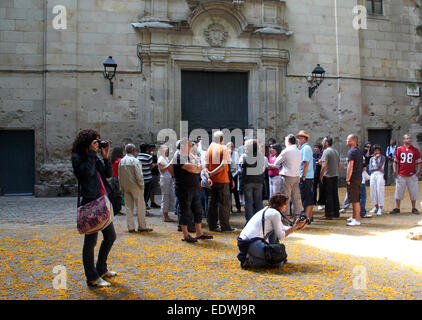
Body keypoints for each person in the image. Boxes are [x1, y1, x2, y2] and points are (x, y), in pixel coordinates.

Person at [71, 129, 117, 288]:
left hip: (101, 201)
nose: (98, 144)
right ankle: (92, 277)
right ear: (87, 142)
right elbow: (87, 173)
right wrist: (91, 154)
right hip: (91, 203)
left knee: (111, 237)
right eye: (95, 141)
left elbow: (108, 174)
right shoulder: (78, 157)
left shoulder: (95, 156)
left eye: (98, 141)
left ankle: (101, 269)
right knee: (90, 242)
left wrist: (105, 157)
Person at [237, 193, 307, 268]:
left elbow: (281, 227)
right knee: (278, 262)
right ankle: (251, 260)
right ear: (280, 205)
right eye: (285, 204)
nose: (286, 207)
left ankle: (250, 256)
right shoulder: (275, 214)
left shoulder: (267, 209)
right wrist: (295, 227)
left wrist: (296, 226)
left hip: (245, 242)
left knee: (276, 256)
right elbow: (281, 235)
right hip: (252, 243)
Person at [173, 138, 213, 242]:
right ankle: (186, 234)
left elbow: (200, 167)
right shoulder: (178, 157)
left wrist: (197, 167)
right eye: (189, 145)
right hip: (184, 188)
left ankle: (199, 232)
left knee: (197, 210)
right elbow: (192, 168)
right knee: (185, 211)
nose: (191, 147)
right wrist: (197, 167)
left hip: (194, 187)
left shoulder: (190, 156)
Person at [205, 131, 236, 232]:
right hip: (222, 180)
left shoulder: (208, 149)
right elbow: (223, 165)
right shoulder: (224, 148)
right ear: (222, 139)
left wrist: (209, 176)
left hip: (212, 181)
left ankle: (212, 225)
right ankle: (225, 226)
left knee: (211, 203)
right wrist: (212, 173)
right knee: (224, 204)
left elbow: (205, 166)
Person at [119, 144, 153, 233]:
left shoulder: (121, 161)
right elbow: (139, 175)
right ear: (133, 150)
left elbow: (120, 176)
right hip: (135, 186)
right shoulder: (135, 161)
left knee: (128, 207)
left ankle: (130, 227)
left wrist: (121, 187)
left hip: (126, 186)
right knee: (140, 207)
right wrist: (141, 185)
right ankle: (142, 226)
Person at [390, 134, 422, 215]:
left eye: (410, 138)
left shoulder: (415, 150)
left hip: (412, 174)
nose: (409, 140)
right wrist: (395, 171)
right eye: (407, 138)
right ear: (403, 140)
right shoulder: (399, 149)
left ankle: (413, 208)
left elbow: (419, 162)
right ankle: (397, 207)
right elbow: (395, 161)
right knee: (398, 192)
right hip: (401, 174)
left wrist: (418, 171)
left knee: (413, 191)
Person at [273, 134, 302, 219]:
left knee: (286, 198)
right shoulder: (298, 150)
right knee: (296, 199)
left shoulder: (286, 151)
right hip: (296, 176)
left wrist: (281, 166)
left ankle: (286, 219)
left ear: (288, 142)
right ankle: (297, 218)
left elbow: (276, 163)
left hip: (287, 176)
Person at [239, 139, 265, 222]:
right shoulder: (261, 155)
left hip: (248, 181)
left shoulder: (245, 156)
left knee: (248, 202)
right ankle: (260, 221)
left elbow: (242, 165)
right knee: (258, 202)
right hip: (259, 180)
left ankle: (249, 221)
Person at [319, 136, 341, 220]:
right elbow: (339, 165)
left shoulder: (326, 151)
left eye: (323, 141)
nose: (322, 142)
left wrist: (321, 175)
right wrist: (336, 172)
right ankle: (336, 212)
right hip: (335, 175)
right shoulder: (335, 151)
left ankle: (329, 214)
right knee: (335, 194)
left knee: (328, 195)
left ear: (327, 143)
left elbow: (324, 165)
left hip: (328, 176)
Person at [345, 134, 363, 226]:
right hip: (359, 177)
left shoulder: (351, 152)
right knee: (354, 198)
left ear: (353, 141)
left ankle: (357, 220)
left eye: (348, 139)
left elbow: (350, 166)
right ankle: (353, 216)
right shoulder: (359, 151)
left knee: (355, 200)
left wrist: (348, 178)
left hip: (353, 178)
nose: (346, 141)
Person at [297, 130, 315, 221]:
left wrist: (303, 175)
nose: (298, 140)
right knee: (307, 197)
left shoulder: (306, 148)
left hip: (306, 177)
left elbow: (306, 163)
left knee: (307, 197)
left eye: (299, 138)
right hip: (306, 176)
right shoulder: (303, 148)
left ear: (303, 139)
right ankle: (309, 216)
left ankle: (308, 217)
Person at [158, 144, 177, 223]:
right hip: (164, 179)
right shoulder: (161, 158)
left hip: (168, 178)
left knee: (169, 196)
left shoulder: (165, 158)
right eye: (165, 150)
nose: (166, 151)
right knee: (165, 197)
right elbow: (162, 170)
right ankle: (165, 215)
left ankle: (167, 213)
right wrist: (170, 164)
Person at [368, 144, 386, 216]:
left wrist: (376, 159)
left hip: (380, 174)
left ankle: (380, 207)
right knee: (373, 190)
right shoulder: (371, 159)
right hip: (373, 174)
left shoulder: (382, 158)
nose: (376, 152)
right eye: (375, 150)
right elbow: (370, 168)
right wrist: (377, 167)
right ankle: (375, 206)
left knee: (380, 190)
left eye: (378, 150)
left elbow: (379, 166)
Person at [137, 142, 154, 214]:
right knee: (146, 195)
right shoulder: (149, 157)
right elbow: (151, 166)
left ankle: (140, 209)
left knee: (140, 194)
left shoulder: (137, 157)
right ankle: (144, 209)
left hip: (140, 177)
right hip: (148, 178)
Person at [227, 142, 241, 214]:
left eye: (232, 147)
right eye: (230, 147)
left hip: (235, 175)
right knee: (228, 193)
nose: (231, 149)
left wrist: (237, 172)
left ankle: (238, 207)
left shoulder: (236, 154)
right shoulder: (226, 154)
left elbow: (238, 164)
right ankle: (230, 208)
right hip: (228, 175)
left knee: (235, 192)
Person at [110, 146, 124, 216]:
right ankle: (118, 209)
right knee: (119, 196)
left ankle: (113, 208)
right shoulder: (120, 161)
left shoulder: (112, 160)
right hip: (118, 178)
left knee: (113, 195)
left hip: (112, 178)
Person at [148, 143, 161, 209]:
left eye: (153, 148)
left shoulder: (154, 156)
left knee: (153, 189)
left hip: (155, 174)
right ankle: (147, 202)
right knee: (149, 189)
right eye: (151, 148)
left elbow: (157, 163)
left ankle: (152, 202)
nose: (153, 149)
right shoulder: (148, 156)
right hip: (150, 174)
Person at [313, 143, 325, 211]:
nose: (315, 149)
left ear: (320, 148)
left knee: (321, 188)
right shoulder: (314, 155)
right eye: (315, 147)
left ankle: (321, 202)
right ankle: (314, 201)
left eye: (316, 147)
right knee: (313, 188)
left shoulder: (323, 154)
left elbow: (322, 163)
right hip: (315, 173)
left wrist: (318, 163)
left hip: (321, 173)